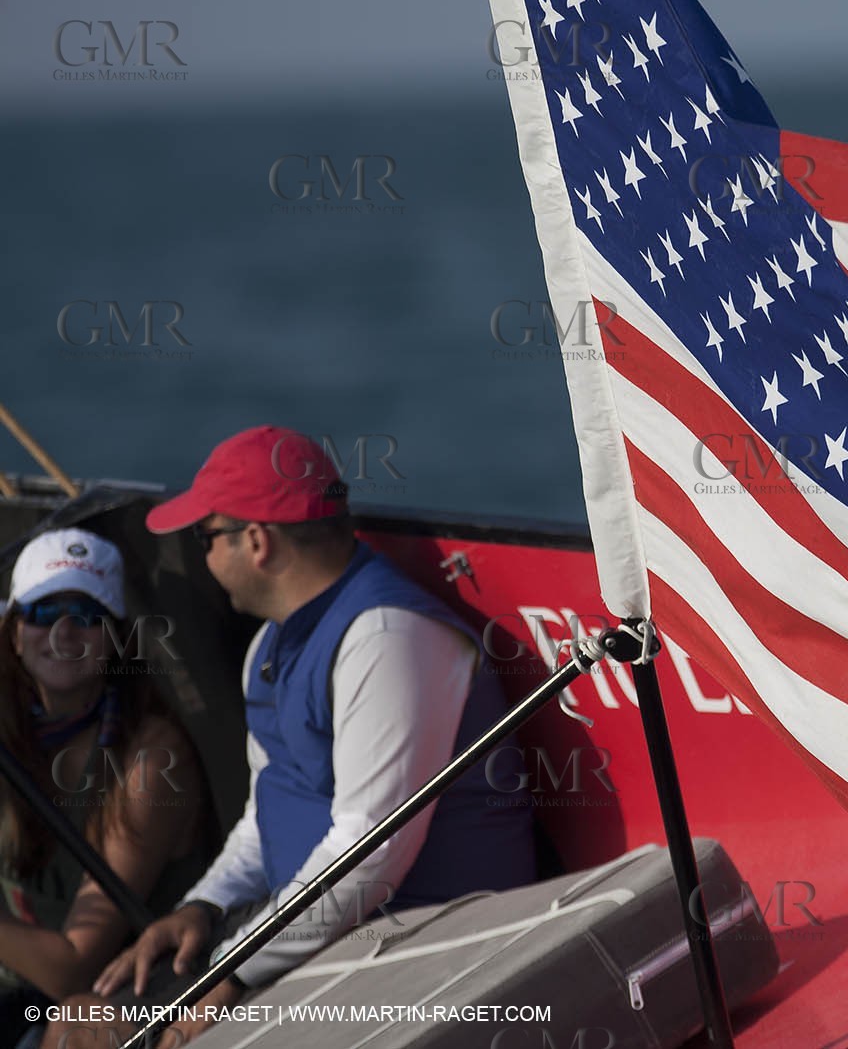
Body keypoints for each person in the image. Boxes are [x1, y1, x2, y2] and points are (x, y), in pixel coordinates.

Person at [78, 425, 538, 1046]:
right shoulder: (271, 643)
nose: (202, 558)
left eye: (206, 537)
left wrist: (233, 971)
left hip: (418, 947)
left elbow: (367, 854)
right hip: (319, 938)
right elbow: (265, 808)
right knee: (77, 1026)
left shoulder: (387, 638)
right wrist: (204, 906)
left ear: (257, 542)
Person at [0, 528, 209, 1047]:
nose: (65, 632)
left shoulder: (153, 758)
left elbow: (73, 969)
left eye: (88, 616)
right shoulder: (9, 726)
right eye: (45, 613)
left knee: (78, 1022)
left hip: (118, 988)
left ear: (117, 637)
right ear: (14, 631)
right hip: (15, 986)